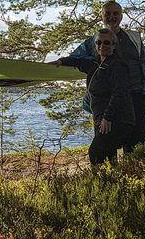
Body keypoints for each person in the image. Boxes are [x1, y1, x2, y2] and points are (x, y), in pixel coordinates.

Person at [69, 1, 145, 147]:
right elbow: (75, 58)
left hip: (135, 96)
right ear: (102, 16)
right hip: (105, 101)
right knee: (103, 145)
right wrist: (58, 62)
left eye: (115, 13)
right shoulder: (94, 41)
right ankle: (108, 169)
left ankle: (135, 169)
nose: (111, 17)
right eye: (107, 14)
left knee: (136, 143)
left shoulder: (134, 39)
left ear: (121, 16)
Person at [55, 28, 136, 165]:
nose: (102, 46)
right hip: (102, 118)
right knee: (109, 156)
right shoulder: (95, 63)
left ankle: (102, 182)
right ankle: (113, 183)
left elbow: (119, 93)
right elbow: (78, 62)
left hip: (118, 118)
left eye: (107, 43)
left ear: (114, 45)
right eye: (99, 42)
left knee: (96, 153)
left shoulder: (118, 65)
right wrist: (61, 61)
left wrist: (107, 118)